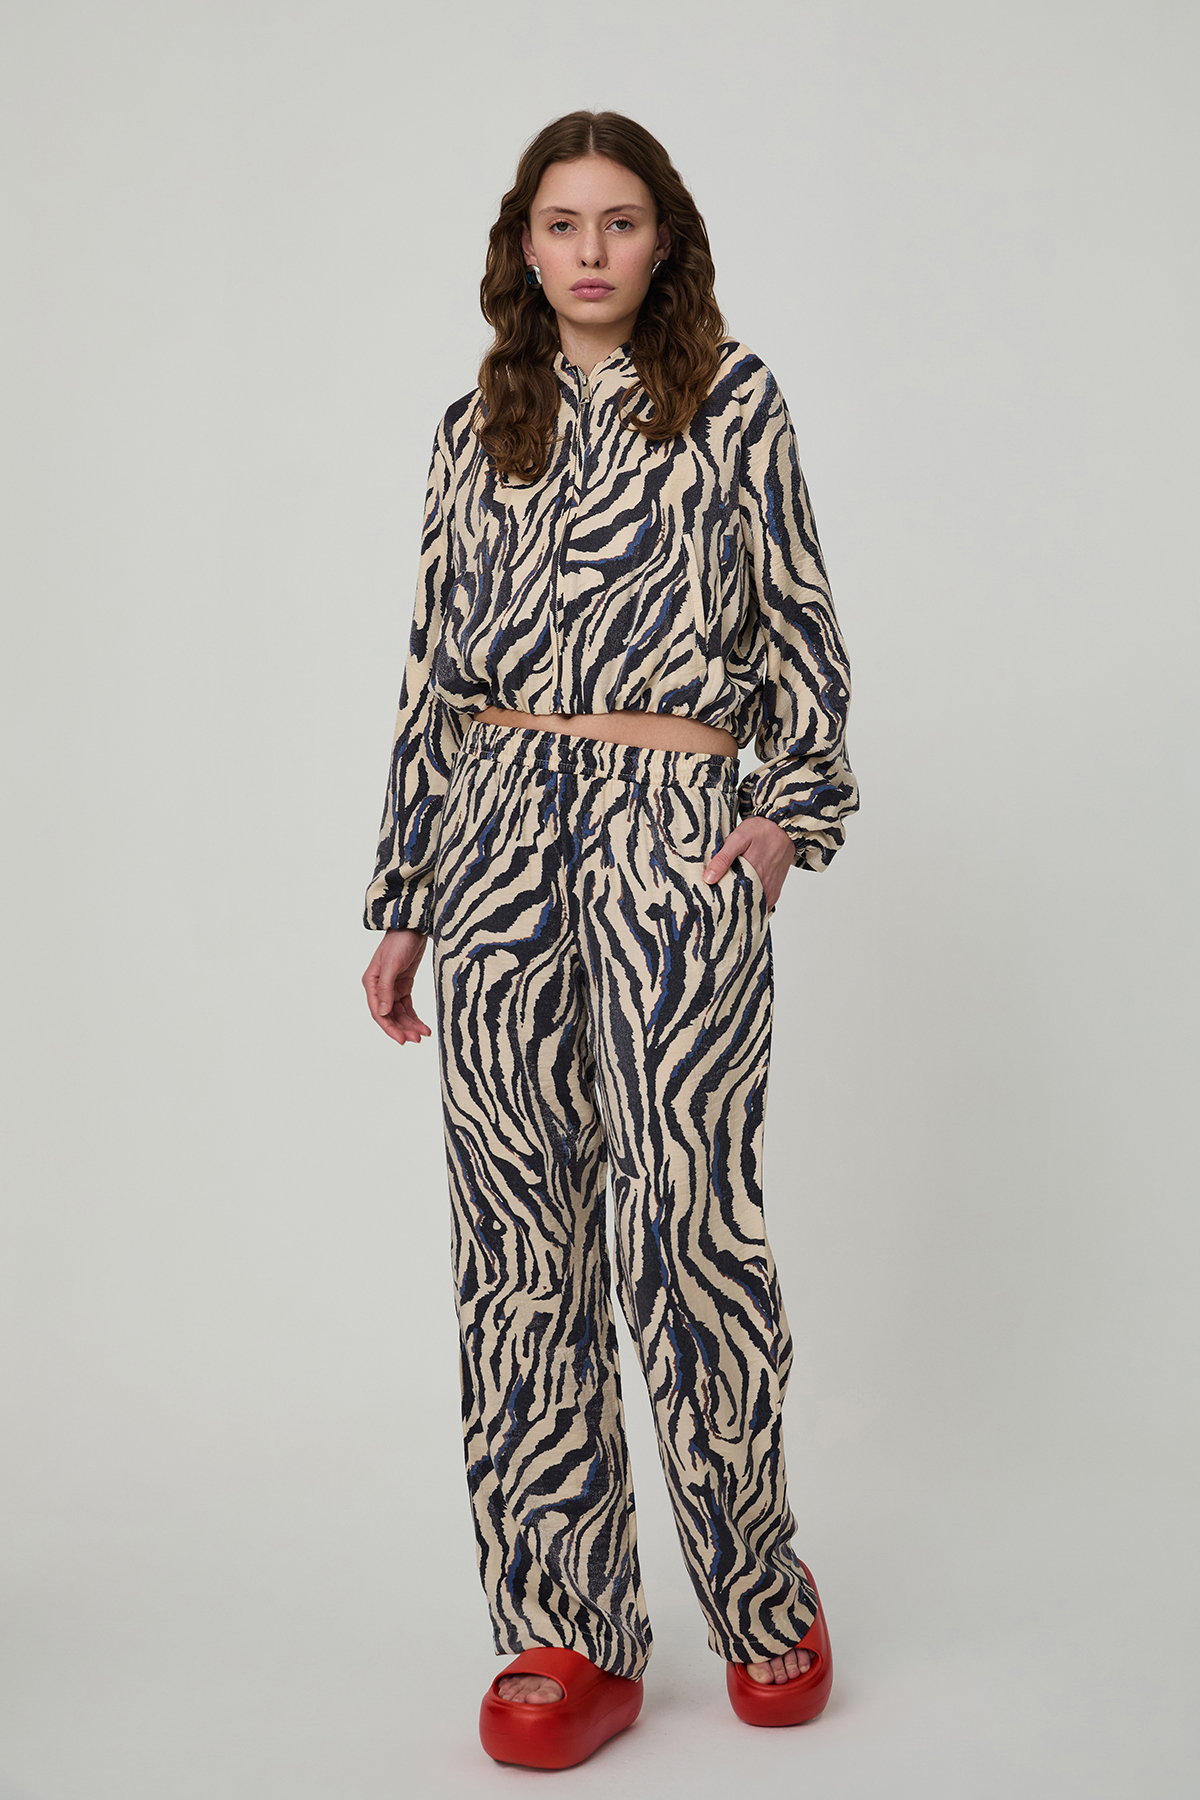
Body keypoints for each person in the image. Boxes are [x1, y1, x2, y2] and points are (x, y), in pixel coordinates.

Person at [361, 110, 858, 1769]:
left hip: (670, 839)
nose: (590, 250)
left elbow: (801, 630)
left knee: (691, 1230)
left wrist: (783, 822)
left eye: (620, 220)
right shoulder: (472, 427)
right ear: (524, 245)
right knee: (521, 1246)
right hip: (496, 839)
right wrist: (406, 893)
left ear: (664, 238)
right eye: (562, 223)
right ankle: (568, 1627)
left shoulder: (735, 402)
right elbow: (432, 672)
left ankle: (759, 1588)